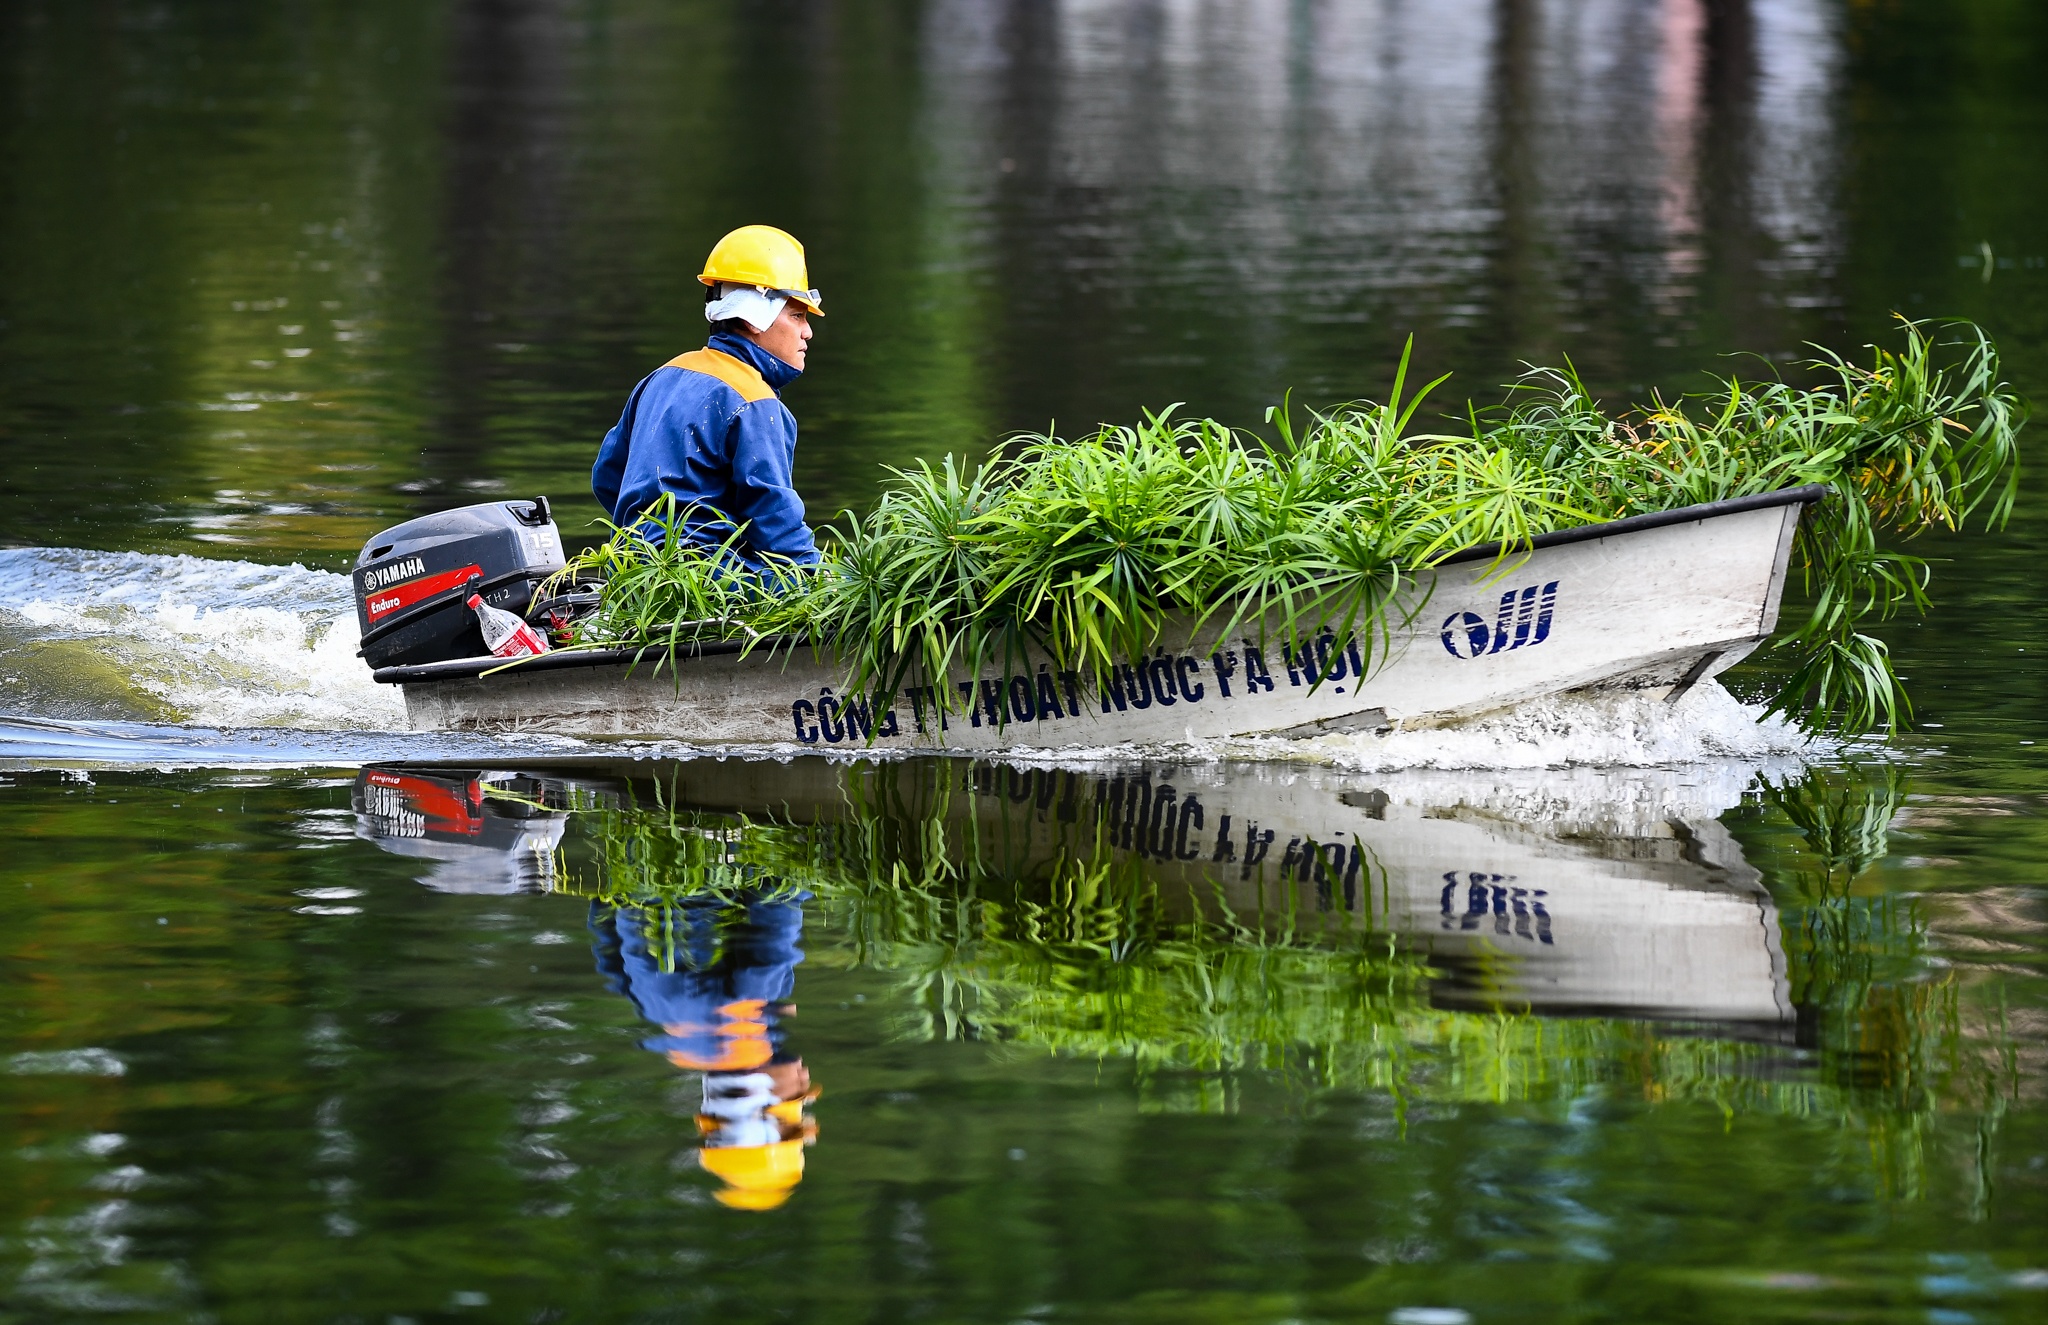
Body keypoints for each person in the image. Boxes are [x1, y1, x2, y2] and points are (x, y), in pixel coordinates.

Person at [590, 224, 824, 574]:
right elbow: (776, 523)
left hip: (633, 572)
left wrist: (648, 541)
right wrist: (821, 586)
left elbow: (607, 477)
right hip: (707, 578)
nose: (808, 331)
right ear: (755, 317)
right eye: (797, 315)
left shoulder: (662, 376)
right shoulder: (756, 401)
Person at [590, 885, 820, 1211]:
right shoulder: (666, 1029)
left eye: (794, 1096)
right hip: (634, 871)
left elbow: (778, 893)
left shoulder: (750, 1007)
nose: (804, 1077)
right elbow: (605, 937)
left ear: (761, 1098)